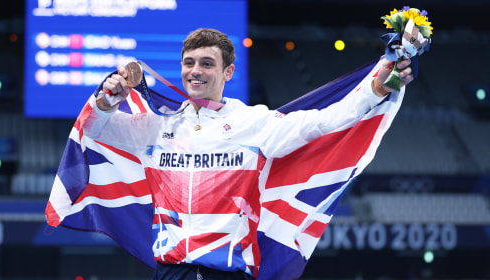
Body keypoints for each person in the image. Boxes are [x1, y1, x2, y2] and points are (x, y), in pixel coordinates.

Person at [84, 28, 414, 280]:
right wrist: (106, 101)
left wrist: (376, 88)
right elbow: (93, 129)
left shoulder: (254, 123)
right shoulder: (157, 125)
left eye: (207, 64)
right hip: (171, 272)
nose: (195, 71)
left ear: (228, 72)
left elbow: (326, 121)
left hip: (229, 273)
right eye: (189, 63)